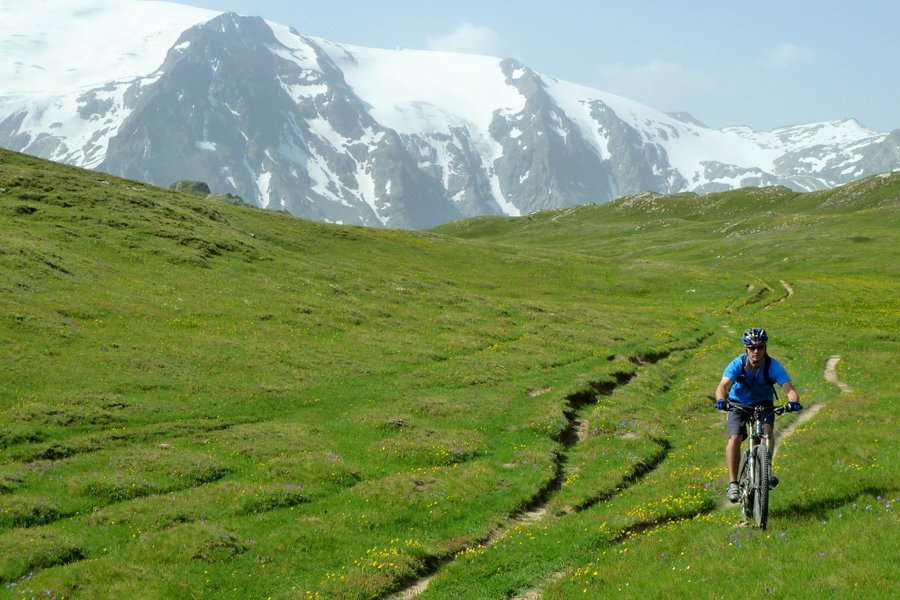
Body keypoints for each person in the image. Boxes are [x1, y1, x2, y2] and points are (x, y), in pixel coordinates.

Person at [714, 328, 802, 502]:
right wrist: (721, 399)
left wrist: (793, 401)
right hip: (738, 403)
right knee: (735, 437)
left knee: (767, 432)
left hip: (763, 404)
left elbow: (790, 389)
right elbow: (723, 386)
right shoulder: (738, 363)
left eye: (760, 347)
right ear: (746, 348)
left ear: (765, 348)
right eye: (752, 347)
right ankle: (733, 483)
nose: (756, 351)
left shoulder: (772, 366)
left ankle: (766, 471)